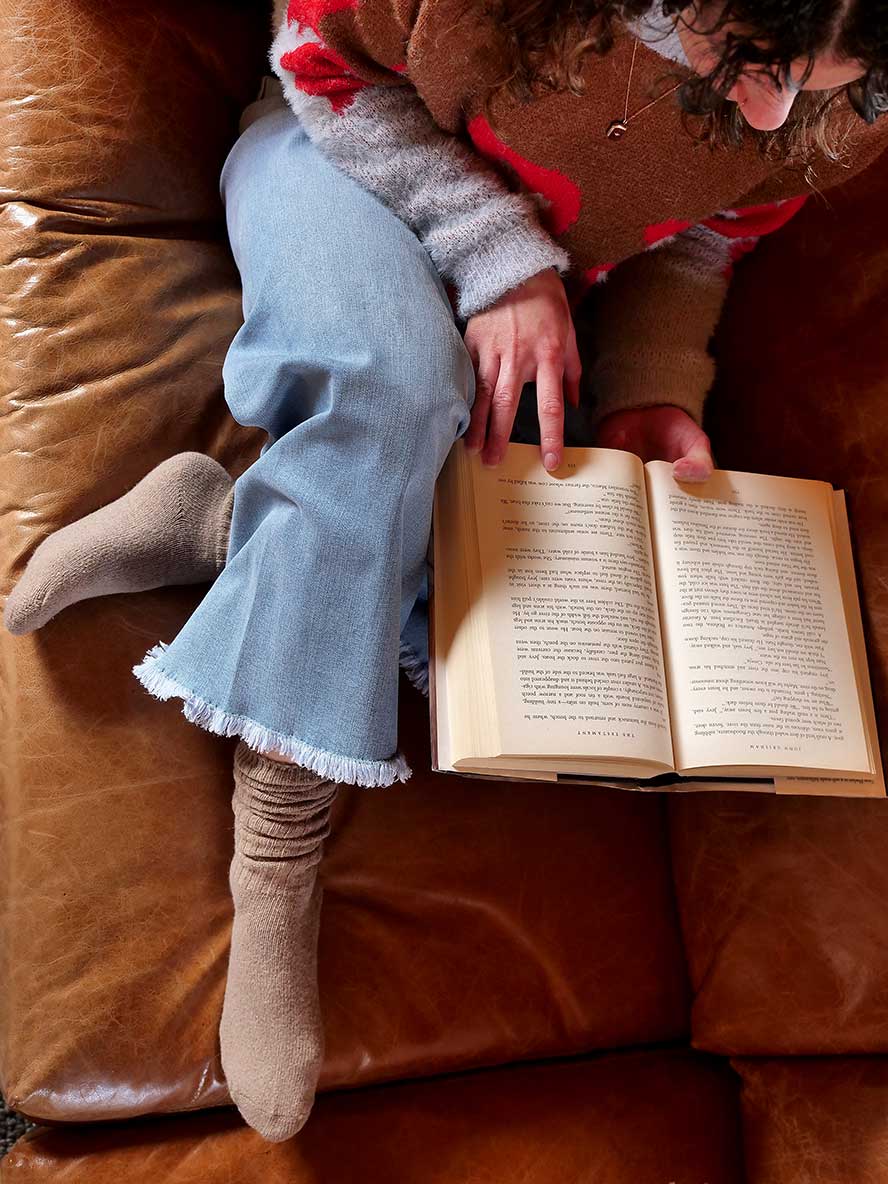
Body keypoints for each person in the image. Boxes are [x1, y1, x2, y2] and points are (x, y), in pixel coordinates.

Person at [4, 0, 887, 1143]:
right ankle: (279, 838)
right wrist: (497, 255)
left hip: (536, 285)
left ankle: (219, 522)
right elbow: (319, 61)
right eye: (758, 60)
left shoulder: (846, 92)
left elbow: (706, 237)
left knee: (512, 575)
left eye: (823, 88)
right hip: (339, 155)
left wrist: (654, 391)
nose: (777, 109)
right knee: (392, 391)